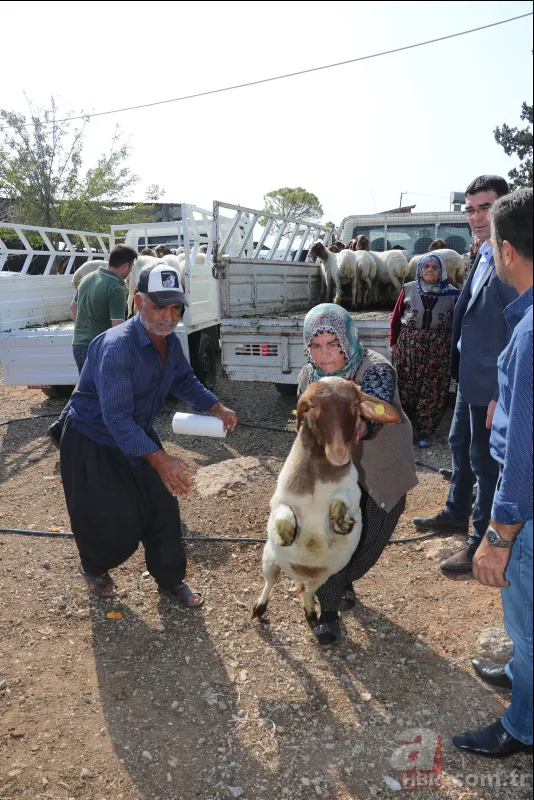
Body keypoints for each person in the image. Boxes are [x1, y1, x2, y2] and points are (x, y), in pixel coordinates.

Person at [59, 263, 238, 605]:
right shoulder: (117, 348)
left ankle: (170, 579)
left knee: (163, 509)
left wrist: (217, 408)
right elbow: (116, 418)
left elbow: (184, 379)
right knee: (109, 517)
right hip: (94, 439)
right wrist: (160, 459)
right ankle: (95, 569)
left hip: (134, 433)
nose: (168, 317)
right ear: (139, 302)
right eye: (158, 306)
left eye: (175, 308)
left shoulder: (170, 343)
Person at [454, 188, 533, 758]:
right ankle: (522, 675)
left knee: (526, 620)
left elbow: (525, 460)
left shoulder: (528, 333)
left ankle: (524, 724)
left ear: (506, 251)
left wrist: (498, 537)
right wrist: (507, 402)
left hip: (527, 511)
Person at [412, 175, 518, 575]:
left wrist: (500, 393)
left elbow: (517, 328)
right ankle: (456, 512)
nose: (475, 216)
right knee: (459, 442)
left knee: (485, 461)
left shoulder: (512, 258)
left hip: (490, 384)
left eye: (485, 207)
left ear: (503, 208)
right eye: (470, 209)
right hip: (469, 377)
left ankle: (479, 542)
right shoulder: (485, 251)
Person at [297, 304, 418, 644]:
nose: (325, 355)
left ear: (348, 339)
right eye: (316, 346)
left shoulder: (375, 369)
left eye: (332, 344)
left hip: (380, 469)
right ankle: (330, 609)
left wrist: (353, 429)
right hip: (332, 474)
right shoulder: (308, 377)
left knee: (371, 538)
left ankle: (344, 576)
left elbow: (374, 414)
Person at [47, 244, 138, 448]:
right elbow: (117, 327)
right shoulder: (115, 287)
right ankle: (63, 429)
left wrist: (86, 328)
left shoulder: (88, 278)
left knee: (91, 392)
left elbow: (73, 307)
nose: (130, 272)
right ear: (125, 266)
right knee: (98, 393)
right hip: (99, 349)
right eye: (131, 268)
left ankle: (73, 433)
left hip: (79, 343)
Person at [390, 253, 459, 448]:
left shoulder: (453, 293)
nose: (429, 270)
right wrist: (393, 342)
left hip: (439, 349)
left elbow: (458, 323)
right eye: (425, 266)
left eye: (434, 267)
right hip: (409, 348)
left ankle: (425, 433)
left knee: (433, 391)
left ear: (441, 271)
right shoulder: (408, 289)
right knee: (406, 388)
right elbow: (396, 317)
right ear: (420, 270)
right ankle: (405, 430)